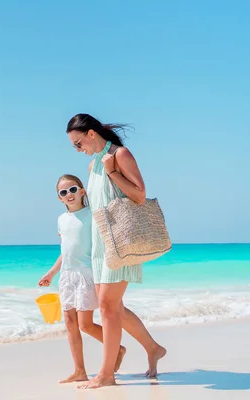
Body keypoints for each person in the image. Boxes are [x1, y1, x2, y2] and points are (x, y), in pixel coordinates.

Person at [65, 113, 167, 389]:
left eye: (78, 143)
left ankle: (106, 374)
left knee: (108, 308)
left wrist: (112, 171)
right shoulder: (91, 166)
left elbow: (139, 195)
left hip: (121, 242)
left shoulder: (119, 155)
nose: (77, 149)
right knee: (114, 308)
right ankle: (153, 348)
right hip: (99, 244)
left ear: (91, 134)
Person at [38, 174, 126, 384]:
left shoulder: (92, 215)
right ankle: (80, 371)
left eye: (73, 189)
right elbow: (66, 251)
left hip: (87, 273)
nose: (69, 195)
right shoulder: (61, 220)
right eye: (63, 192)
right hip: (67, 275)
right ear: (59, 198)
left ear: (82, 191)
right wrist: (51, 273)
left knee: (85, 324)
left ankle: (117, 349)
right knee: (69, 323)